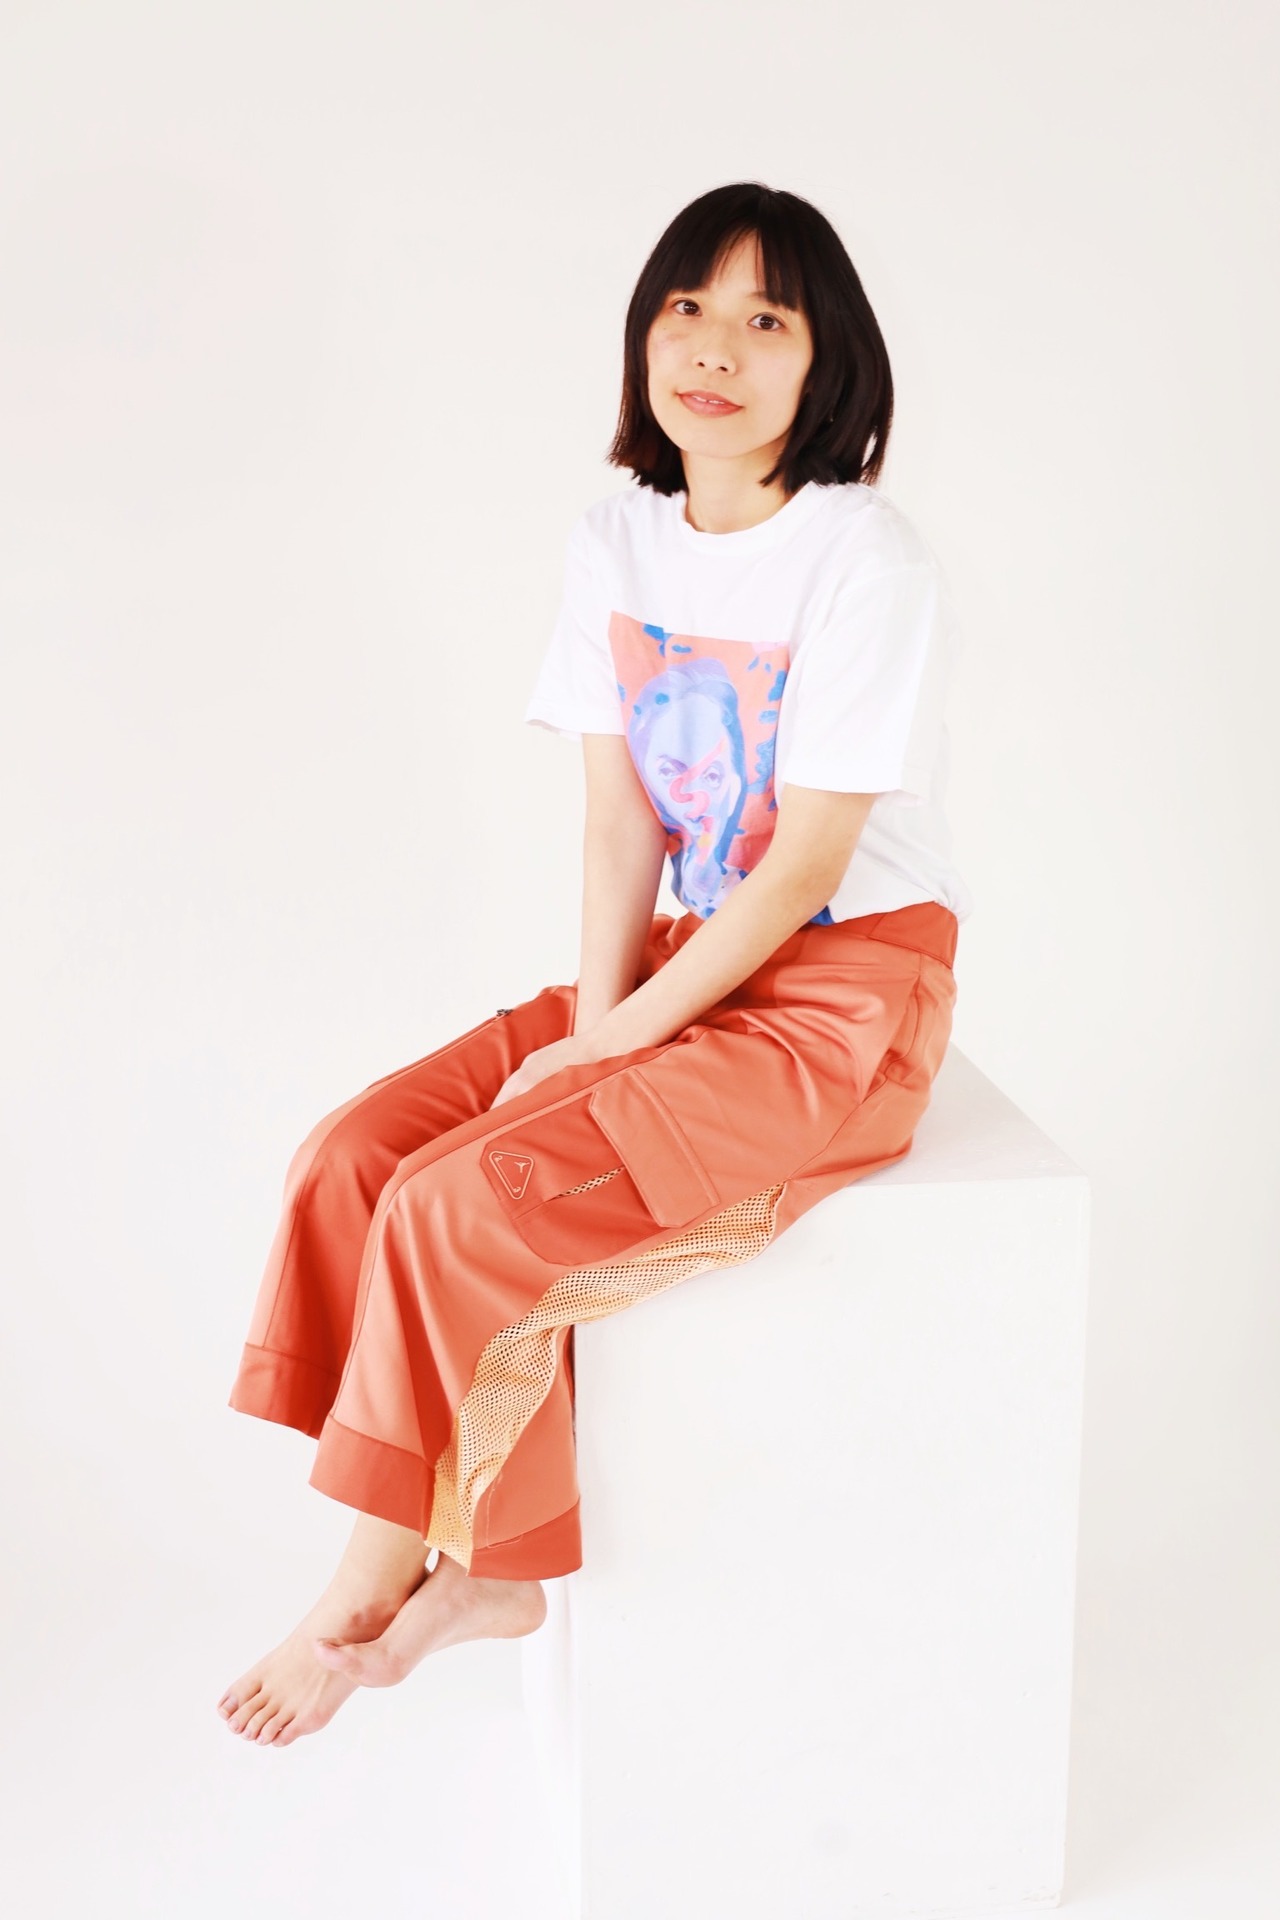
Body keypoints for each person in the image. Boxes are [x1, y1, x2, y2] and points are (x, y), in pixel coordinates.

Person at [216, 181, 974, 1749]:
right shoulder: (615, 539)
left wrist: (612, 1046)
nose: (714, 350)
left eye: (767, 319)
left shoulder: (865, 557)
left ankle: (368, 1592)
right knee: (356, 1160)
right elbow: (619, 820)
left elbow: (806, 870)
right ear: (644, 337)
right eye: (687, 309)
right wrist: (597, 1017)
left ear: (828, 360)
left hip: (844, 1005)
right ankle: (488, 1564)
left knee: (459, 1203)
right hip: (695, 961)